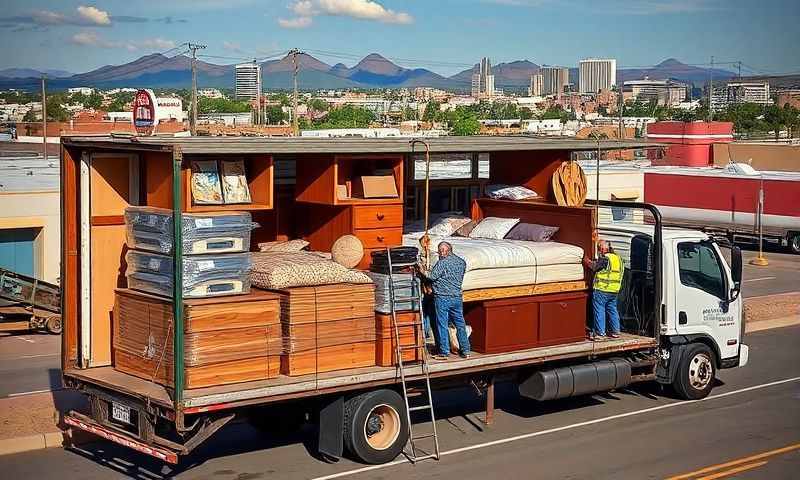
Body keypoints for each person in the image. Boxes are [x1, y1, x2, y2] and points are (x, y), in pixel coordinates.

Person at [422, 241, 470, 360]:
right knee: (460, 324)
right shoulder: (461, 262)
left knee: (442, 324)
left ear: (444, 251)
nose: (439, 254)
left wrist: (421, 270)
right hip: (457, 297)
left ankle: (444, 351)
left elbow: (431, 276)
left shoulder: (442, 263)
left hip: (442, 298)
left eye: (440, 251)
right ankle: (466, 350)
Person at [583, 240, 624, 341]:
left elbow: (594, 267)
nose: (599, 250)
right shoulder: (618, 258)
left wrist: (586, 260)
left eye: (599, 248)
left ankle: (600, 333)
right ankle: (615, 331)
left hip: (602, 289)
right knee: (612, 310)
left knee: (599, 309)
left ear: (603, 248)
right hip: (614, 290)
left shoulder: (605, 258)